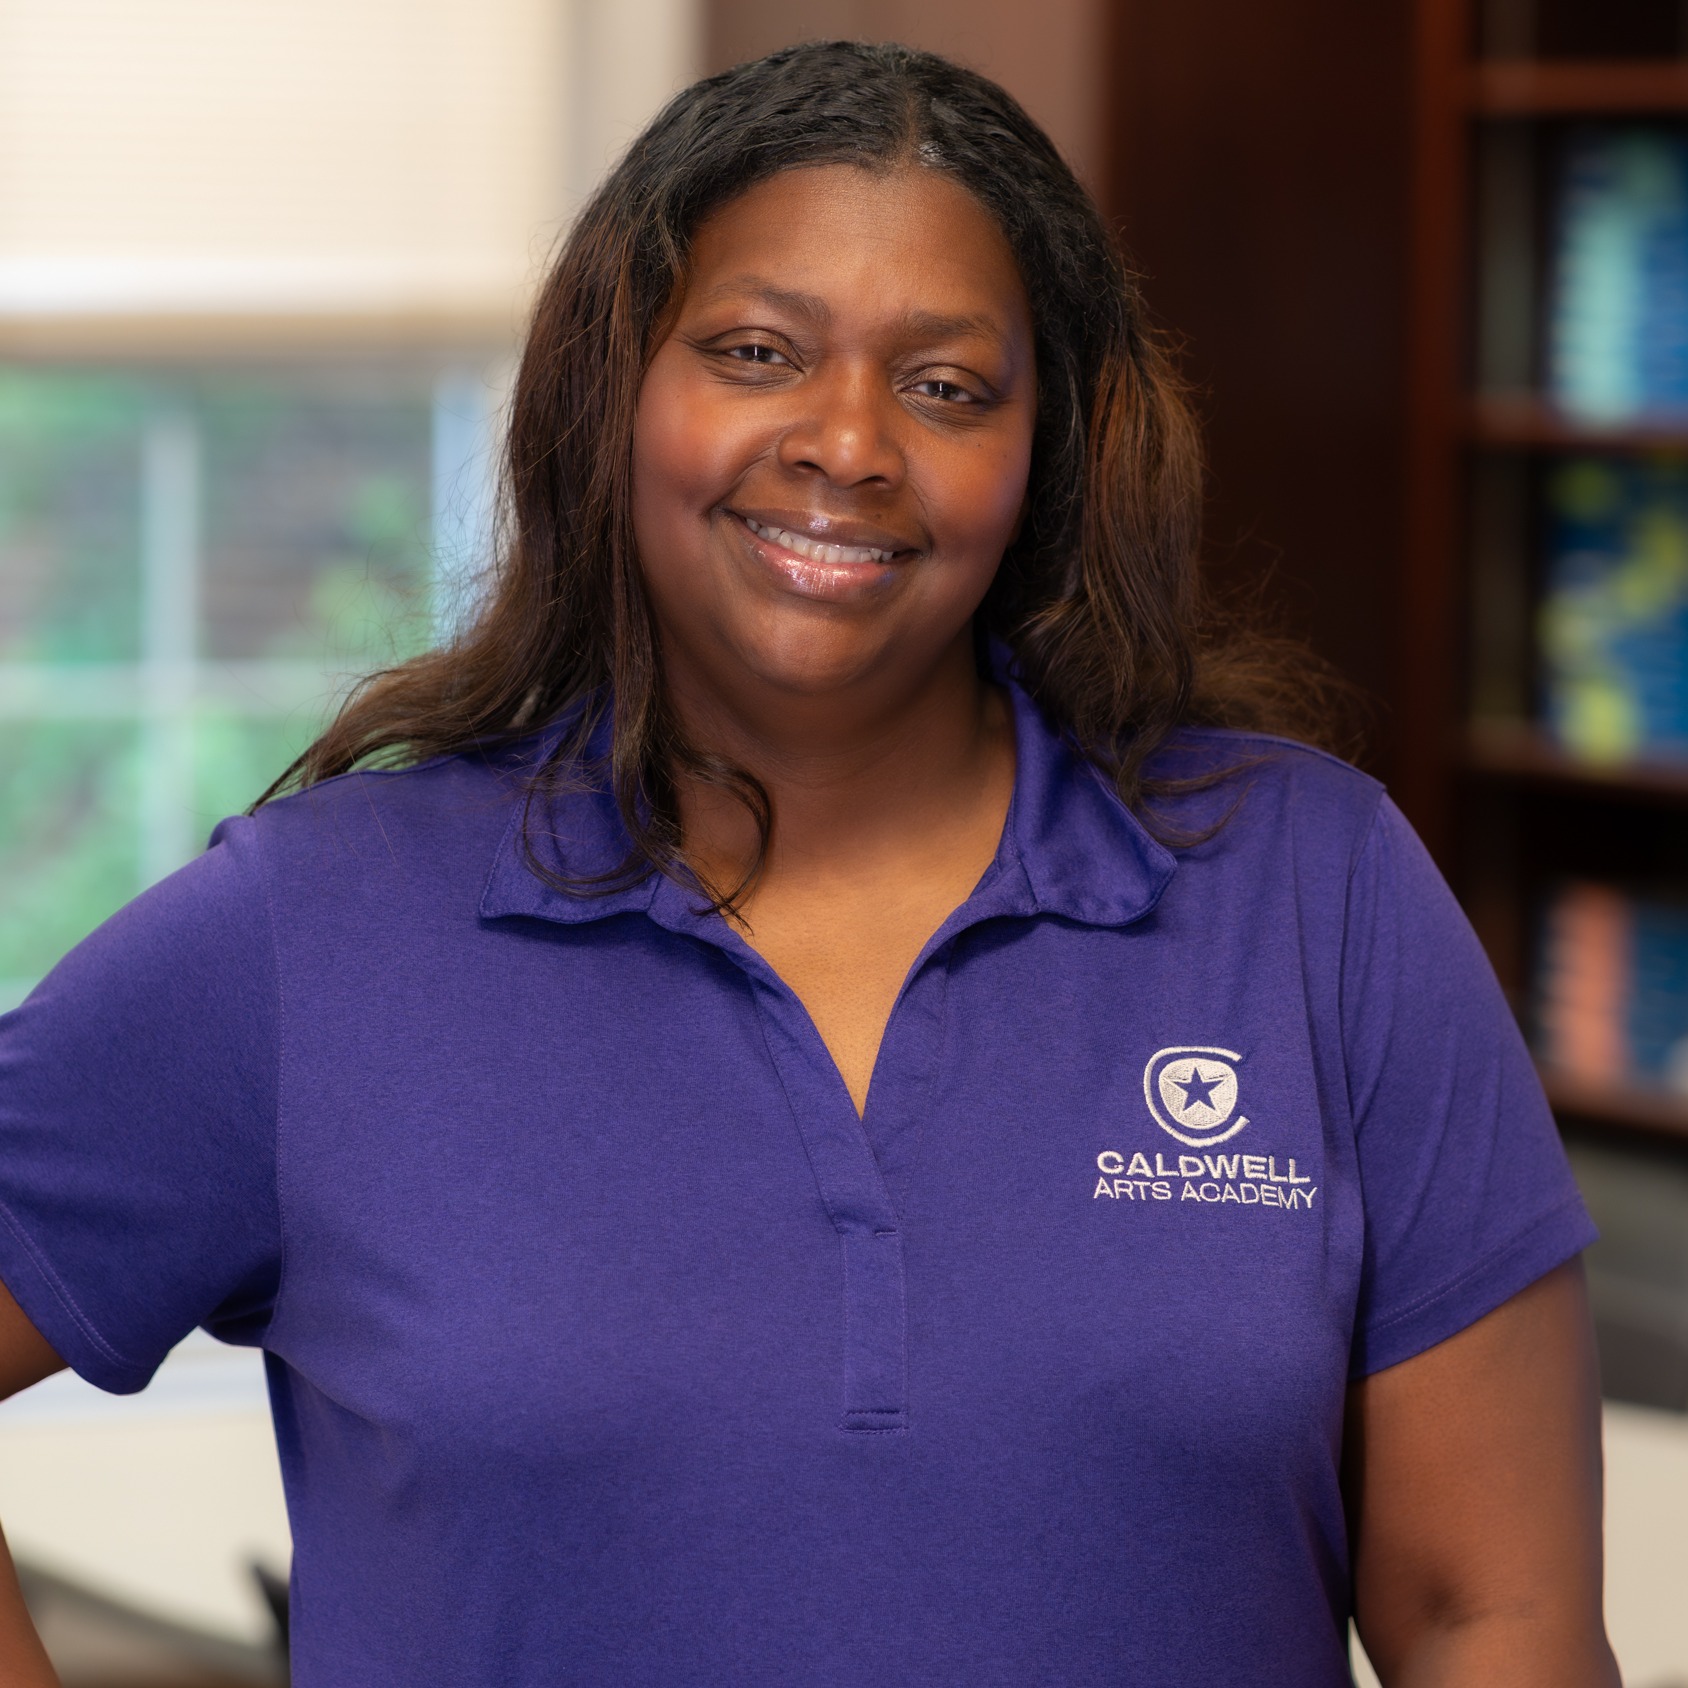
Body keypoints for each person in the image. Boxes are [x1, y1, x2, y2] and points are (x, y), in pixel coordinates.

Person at [0, 40, 1618, 1688]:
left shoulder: (1312, 891)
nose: (848, 444)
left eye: (947, 385)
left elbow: (1496, 1614)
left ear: (1045, 454)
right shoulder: (314, 931)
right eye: (759, 350)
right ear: (616, 388)